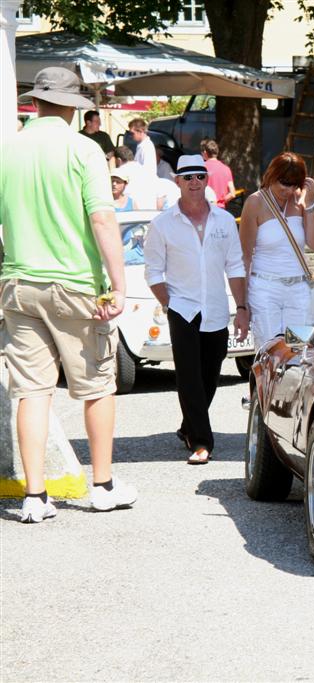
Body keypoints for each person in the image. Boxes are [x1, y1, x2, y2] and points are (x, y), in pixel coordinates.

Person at [0, 67, 136, 522]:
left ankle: (34, 498)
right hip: (76, 284)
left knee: (32, 392)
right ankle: (102, 486)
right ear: (74, 108)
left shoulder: (9, 148)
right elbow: (101, 219)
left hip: (18, 283)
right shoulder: (85, 149)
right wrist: (119, 283)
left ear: (36, 102)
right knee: (97, 385)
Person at [144, 154, 250, 465]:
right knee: (189, 376)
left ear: (207, 180)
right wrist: (169, 304)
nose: (194, 183)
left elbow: (235, 266)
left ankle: (188, 426)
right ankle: (202, 442)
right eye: (187, 177)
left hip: (216, 307)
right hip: (182, 308)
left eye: (200, 177)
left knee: (210, 374)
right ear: (177, 181)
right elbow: (152, 272)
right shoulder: (162, 224)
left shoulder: (225, 221)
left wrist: (241, 307)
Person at [239, 152, 314, 348]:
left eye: (295, 184)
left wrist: (310, 204)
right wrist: (242, 305)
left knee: (299, 352)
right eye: (284, 183)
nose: (289, 189)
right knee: (271, 353)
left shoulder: (299, 201)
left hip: (298, 289)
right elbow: (244, 257)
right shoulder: (255, 202)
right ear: (272, 176)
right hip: (265, 288)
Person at [200, 138, 237, 209]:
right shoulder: (226, 169)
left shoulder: (202, 168)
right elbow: (232, 194)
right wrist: (220, 202)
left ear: (205, 152)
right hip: (221, 210)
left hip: (205, 209)